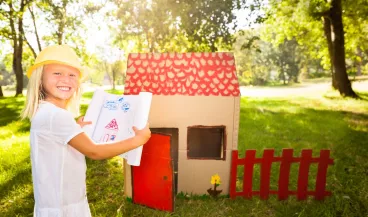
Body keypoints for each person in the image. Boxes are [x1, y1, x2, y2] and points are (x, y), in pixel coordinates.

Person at [21, 44, 151, 217]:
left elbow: (58, 144)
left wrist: (75, 129)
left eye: (72, 75)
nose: (65, 79)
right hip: (64, 208)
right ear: (40, 78)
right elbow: (95, 151)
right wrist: (137, 140)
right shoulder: (56, 117)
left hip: (54, 202)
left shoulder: (46, 112)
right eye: (57, 73)